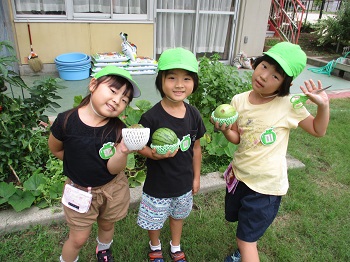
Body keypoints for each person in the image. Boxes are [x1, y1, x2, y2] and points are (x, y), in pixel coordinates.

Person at [212, 42, 330, 262]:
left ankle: (245, 249)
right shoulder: (239, 100)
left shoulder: (288, 104)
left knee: (245, 241)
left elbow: (317, 129)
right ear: (256, 63)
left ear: (285, 85)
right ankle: (246, 246)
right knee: (245, 228)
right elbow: (237, 138)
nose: (265, 76)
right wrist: (227, 129)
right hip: (240, 178)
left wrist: (323, 106)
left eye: (276, 76)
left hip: (266, 188)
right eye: (264, 66)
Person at [48, 66, 141, 262]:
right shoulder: (66, 121)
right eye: (113, 91)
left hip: (112, 188)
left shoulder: (118, 130)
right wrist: (77, 163)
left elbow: (113, 168)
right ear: (93, 85)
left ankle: (104, 250)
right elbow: (56, 149)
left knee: (107, 224)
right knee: (78, 238)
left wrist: (123, 151)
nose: (117, 100)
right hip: (79, 191)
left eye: (124, 100)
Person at [136, 48, 206, 262]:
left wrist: (196, 177)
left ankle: (175, 246)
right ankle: (154, 245)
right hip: (158, 184)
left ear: (193, 82)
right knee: (155, 220)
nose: (179, 84)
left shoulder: (193, 114)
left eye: (186, 78)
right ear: (161, 81)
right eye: (172, 77)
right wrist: (152, 155)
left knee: (178, 217)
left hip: (183, 183)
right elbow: (139, 145)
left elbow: (196, 148)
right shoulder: (151, 117)